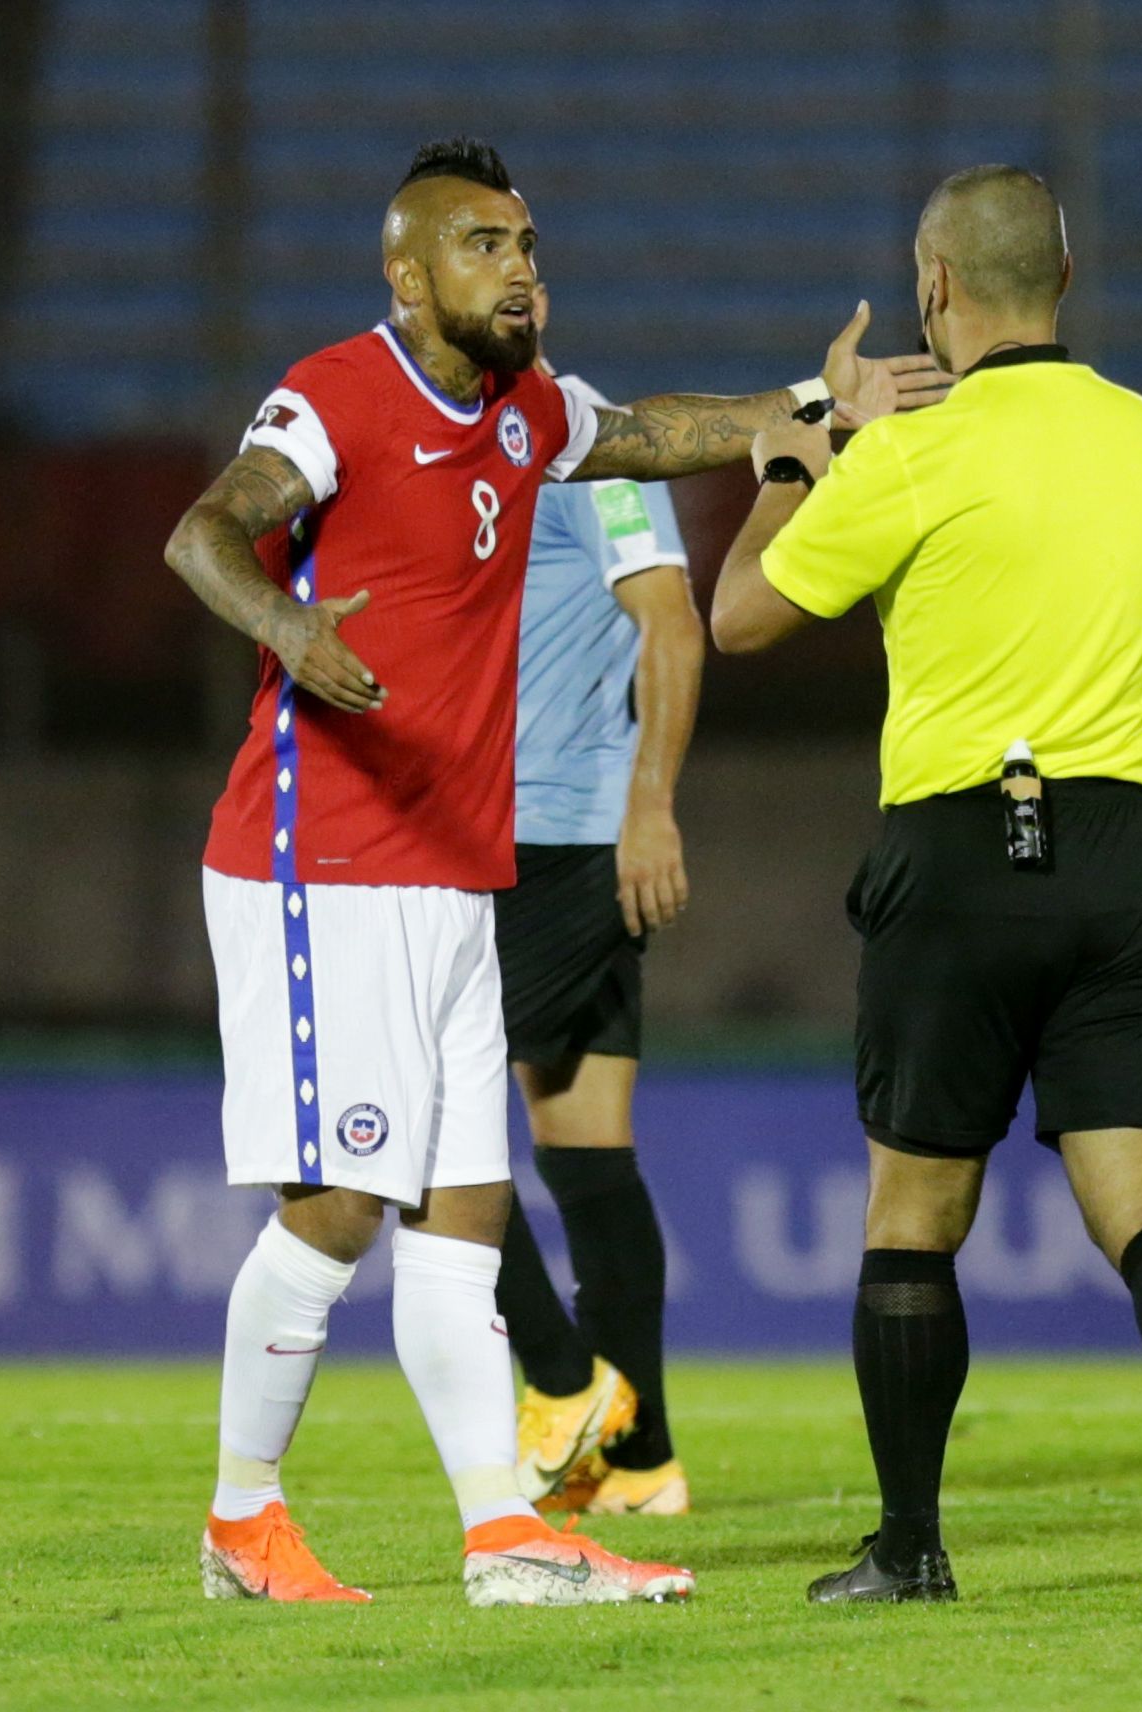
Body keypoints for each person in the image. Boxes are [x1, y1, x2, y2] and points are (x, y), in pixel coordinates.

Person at [165, 134, 948, 1608]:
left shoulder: (525, 415)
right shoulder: (337, 395)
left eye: (523, 243)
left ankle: (503, 1538)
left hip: (453, 870)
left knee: (462, 1213)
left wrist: (804, 399)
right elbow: (204, 530)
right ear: (405, 276)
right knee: (338, 1208)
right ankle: (241, 1521)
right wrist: (286, 630)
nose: (516, 267)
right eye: (479, 245)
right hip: (320, 858)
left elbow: (652, 432)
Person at [711, 165, 1142, 1615]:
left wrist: (803, 447)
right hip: (1123, 851)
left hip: (964, 849)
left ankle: (910, 1548)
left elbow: (740, 615)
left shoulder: (913, 451)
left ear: (935, 289)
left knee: (911, 1218)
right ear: (1068, 284)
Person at [490, 283, 701, 1519]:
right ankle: (641, 1461)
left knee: (418, 1116)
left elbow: (672, 625)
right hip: (536, 835)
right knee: (586, 1153)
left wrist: (651, 806)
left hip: (561, 842)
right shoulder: (483, 463)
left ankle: (565, 1386)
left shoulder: (589, 455)